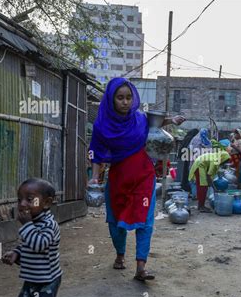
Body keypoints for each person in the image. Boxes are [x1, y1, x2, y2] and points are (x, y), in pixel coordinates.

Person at [88, 77, 185, 281]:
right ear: (111, 100)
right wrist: (94, 179)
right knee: (115, 221)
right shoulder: (101, 126)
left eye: (129, 97)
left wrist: (172, 120)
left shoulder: (140, 119)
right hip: (118, 178)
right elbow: (96, 153)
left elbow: (156, 122)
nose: (125, 102)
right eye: (120, 98)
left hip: (143, 176)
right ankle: (120, 255)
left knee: (145, 221)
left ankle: (141, 266)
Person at [2, 178, 62, 297]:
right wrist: (17, 253)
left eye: (29, 200)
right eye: (19, 200)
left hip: (47, 280)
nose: (22, 204)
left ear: (46, 203)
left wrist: (27, 225)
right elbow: (29, 246)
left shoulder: (49, 225)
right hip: (32, 278)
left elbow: (39, 245)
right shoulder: (34, 221)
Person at [188, 128, 212, 199]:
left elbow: (190, 149)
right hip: (204, 163)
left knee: (194, 179)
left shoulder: (194, 139)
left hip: (194, 161)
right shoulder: (207, 141)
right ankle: (200, 195)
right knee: (201, 180)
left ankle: (194, 194)